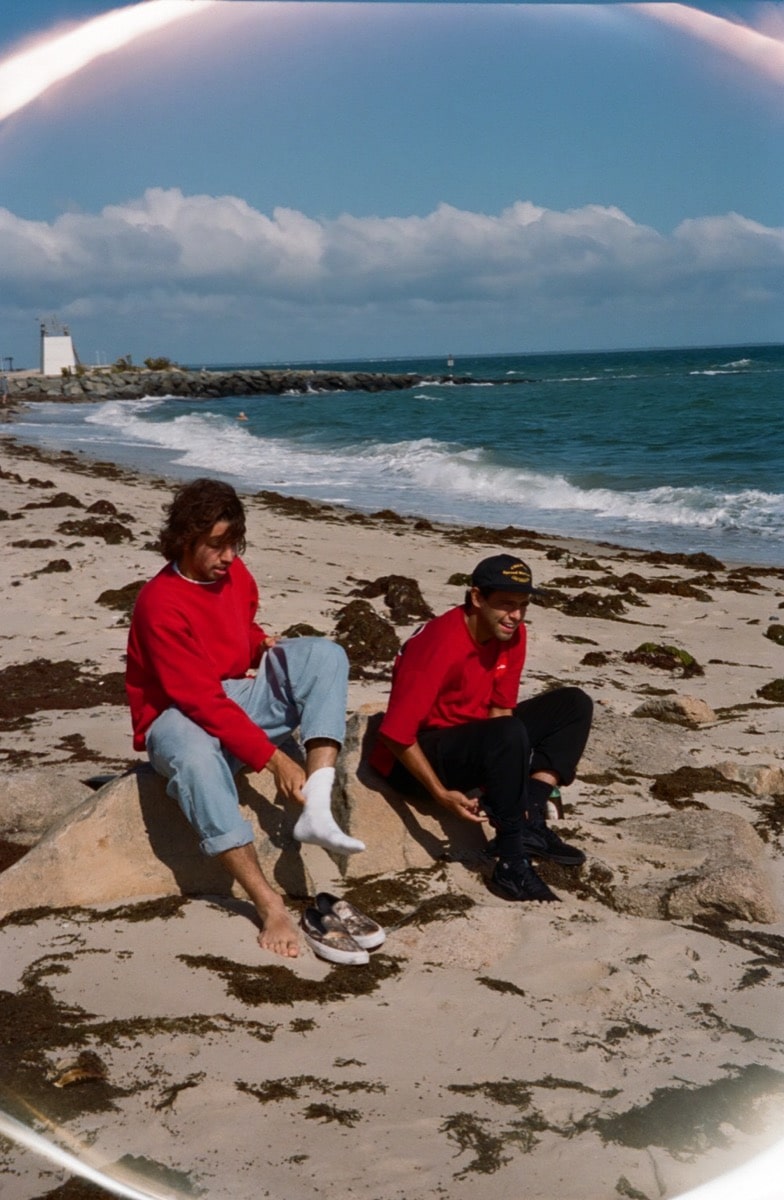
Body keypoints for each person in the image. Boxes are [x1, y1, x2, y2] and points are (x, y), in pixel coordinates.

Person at [125, 478, 363, 958]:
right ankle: (267, 901)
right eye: (216, 545)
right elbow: (202, 701)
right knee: (195, 756)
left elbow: (240, 624)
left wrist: (260, 642)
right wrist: (276, 761)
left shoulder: (234, 573)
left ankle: (315, 806)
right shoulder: (159, 604)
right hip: (177, 714)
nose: (229, 556)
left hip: (238, 692)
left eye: (234, 543)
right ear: (184, 540)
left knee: (325, 654)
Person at [370, 554, 592, 903]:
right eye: (505, 604)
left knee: (573, 704)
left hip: (474, 739)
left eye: (522, 605)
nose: (515, 615)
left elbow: (500, 709)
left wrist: (511, 789)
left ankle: (531, 815)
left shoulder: (512, 635)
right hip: (413, 758)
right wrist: (442, 795)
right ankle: (511, 863)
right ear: (476, 598)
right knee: (507, 734)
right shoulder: (440, 643)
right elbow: (396, 734)